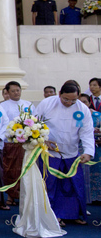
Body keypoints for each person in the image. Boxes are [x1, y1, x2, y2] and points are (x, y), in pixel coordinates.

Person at [35, 82, 94, 225]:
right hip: (49, 153)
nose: (69, 103)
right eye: (66, 99)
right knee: (50, 185)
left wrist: (88, 152)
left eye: (73, 100)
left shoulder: (83, 109)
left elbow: (86, 132)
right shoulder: (47, 104)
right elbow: (34, 124)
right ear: (60, 93)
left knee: (72, 185)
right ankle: (53, 216)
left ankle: (72, 214)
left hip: (72, 153)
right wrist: (42, 140)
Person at [0, 81, 33, 207]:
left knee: (25, 169)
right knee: (11, 170)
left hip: (26, 143)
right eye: (13, 91)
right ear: (7, 92)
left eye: (18, 90)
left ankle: (25, 195)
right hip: (10, 143)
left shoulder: (28, 104)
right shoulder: (3, 106)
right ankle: (10, 195)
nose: (16, 93)